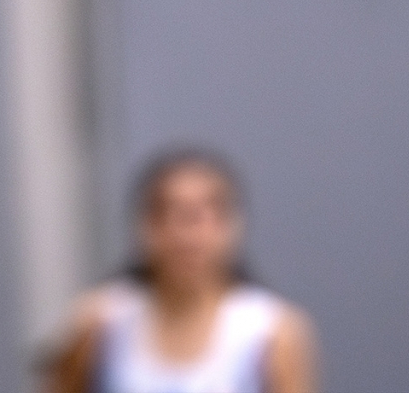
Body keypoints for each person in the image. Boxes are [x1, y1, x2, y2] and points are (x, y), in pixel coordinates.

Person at [47, 150, 319, 393]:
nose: (186, 235)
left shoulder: (271, 334)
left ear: (233, 225)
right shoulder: (98, 324)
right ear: (143, 226)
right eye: (169, 214)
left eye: (202, 215)